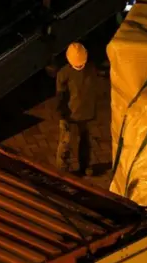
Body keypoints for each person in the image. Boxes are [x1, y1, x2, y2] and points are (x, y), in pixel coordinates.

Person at [56, 42, 96, 176]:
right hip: (77, 112)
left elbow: (60, 95)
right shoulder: (90, 69)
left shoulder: (64, 73)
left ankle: (65, 168)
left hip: (77, 112)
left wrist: (61, 112)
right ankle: (66, 168)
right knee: (71, 141)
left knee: (68, 141)